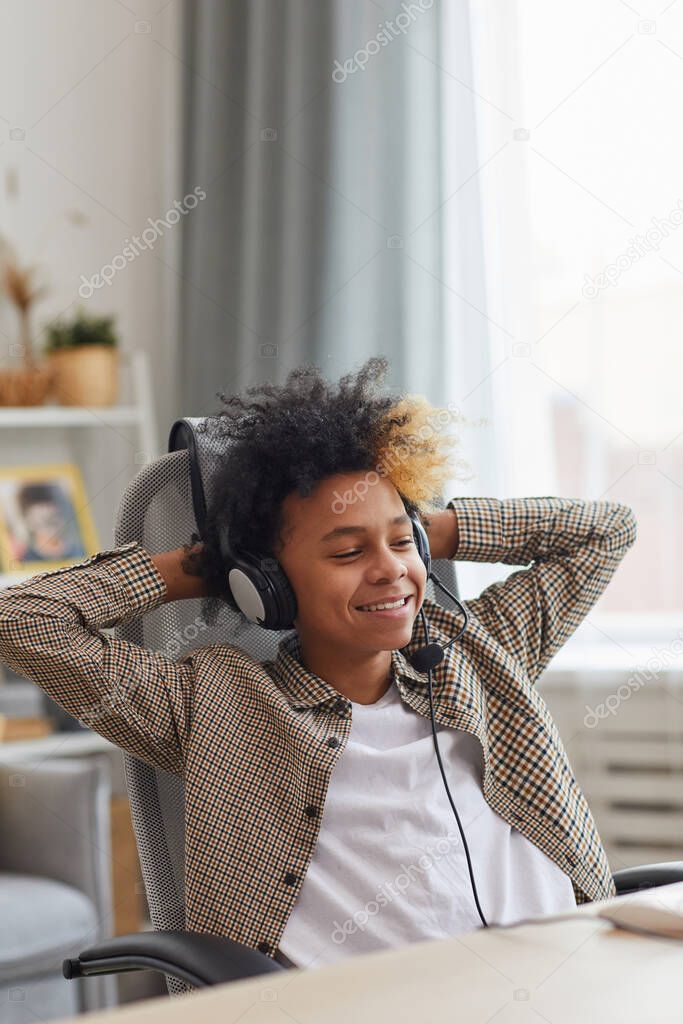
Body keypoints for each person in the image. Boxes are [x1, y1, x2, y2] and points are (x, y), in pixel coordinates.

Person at [0, 356, 637, 984]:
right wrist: (203, 567)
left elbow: (607, 531)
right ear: (268, 584)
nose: (389, 569)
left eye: (399, 542)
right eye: (349, 551)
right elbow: (20, 619)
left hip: (568, 976)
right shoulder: (214, 707)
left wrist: (431, 529)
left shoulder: (477, 648)